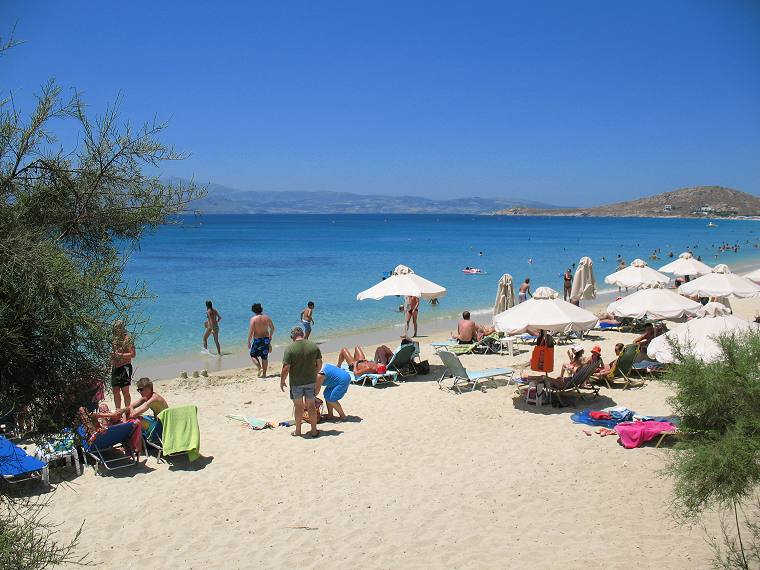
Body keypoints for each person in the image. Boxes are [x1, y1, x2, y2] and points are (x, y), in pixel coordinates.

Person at [280, 326, 322, 438]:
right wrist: (315, 373)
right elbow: (319, 363)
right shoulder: (313, 346)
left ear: (292, 336)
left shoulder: (290, 349)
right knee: (311, 406)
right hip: (310, 381)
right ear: (302, 334)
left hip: (296, 383)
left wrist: (282, 381)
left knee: (298, 406)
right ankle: (314, 431)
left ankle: (298, 431)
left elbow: (286, 368)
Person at [110, 321, 136, 410]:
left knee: (125, 391)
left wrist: (120, 355)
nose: (116, 331)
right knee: (115, 391)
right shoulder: (114, 340)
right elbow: (113, 354)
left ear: (121, 328)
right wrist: (110, 363)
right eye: (115, 329)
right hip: (115, 367)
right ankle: (118, 411)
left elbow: (133, 354)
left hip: (125, 367)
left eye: (117, 328)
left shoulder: (127, 339)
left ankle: (127, 410)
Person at [248, 303, 275, 378]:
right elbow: (272, 328)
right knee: (264, 357)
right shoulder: (267, 318)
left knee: (253, 355)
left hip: (257, 340)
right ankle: (264, 374)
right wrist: (270, 336)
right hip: (266, 339)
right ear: (261, 309)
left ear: (253, 311)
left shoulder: (253, 319)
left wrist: (248, 341)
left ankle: (259, 368)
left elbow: (251, 332)